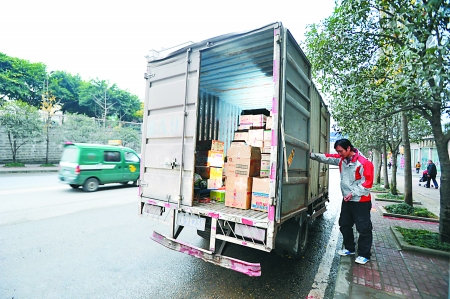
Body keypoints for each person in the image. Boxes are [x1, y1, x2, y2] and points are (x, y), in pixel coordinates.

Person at [310, 139, 374, 265]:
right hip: (347, 200)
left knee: (364, 228)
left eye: (341, 151)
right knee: (344, 224)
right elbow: (327, 157)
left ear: (349, 148)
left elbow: (367, 183)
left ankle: (364, 254)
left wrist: (353, 193)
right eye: (337, 151)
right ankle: (350, 248)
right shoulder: (341, 159)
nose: (339, 154)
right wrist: (311, 155)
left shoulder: (363, 162)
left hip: (361, 201)